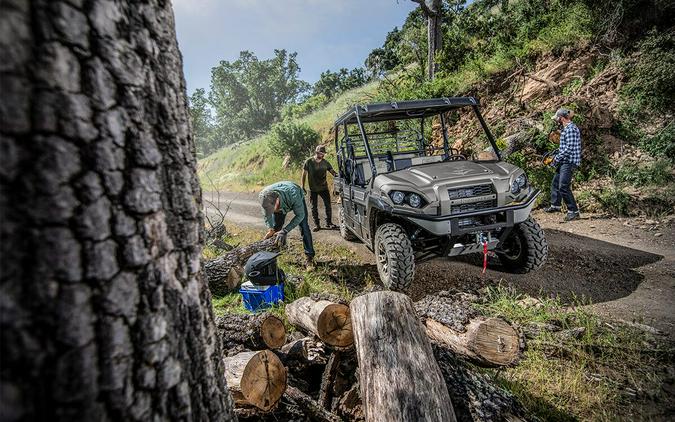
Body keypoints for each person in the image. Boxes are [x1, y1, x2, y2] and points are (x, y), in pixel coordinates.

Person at [259, 181, 315, 268]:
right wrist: (270, 229)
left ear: (277, 200)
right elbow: (267, 215)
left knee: (303, 226)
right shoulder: (263, 196)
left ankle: (309, 257)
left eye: (274, 210)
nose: (273, 212)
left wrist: (285, 230)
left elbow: (300, 215)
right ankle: (275, 253)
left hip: (293, 193)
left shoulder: (294, 195)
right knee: (276, 227)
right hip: (281, 197)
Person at [545, 108, 582, 221]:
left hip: (569, 161)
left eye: (557, 119)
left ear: (561, 118)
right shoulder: (567, 129)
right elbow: (565, 147)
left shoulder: (570, 129)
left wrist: (556, 159)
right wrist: (557, 153)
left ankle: (573, 211)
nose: (556, 121)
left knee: (563, 187)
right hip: (564, 160)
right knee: (556, 183)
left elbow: (569, 148)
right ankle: (555, 205)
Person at [302, 145, 338, 232]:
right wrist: (302, 186)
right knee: (314, 207)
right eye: (321, 153)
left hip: (324, 188)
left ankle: (329, 223)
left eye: (323, 153)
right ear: (317, 152)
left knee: (328, 205)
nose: (322, 155)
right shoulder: (309, 162)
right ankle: (317, 225)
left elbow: (332, 172)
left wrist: (339, 176)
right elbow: (304, 174)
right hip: (312, 189)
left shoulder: (325, 163)